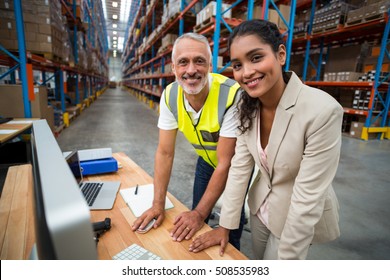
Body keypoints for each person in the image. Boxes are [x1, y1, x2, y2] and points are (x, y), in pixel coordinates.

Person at [189, 19, 342, 259]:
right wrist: (225, 226)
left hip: (295, 214)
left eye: (256, 57)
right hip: (260, 208)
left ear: (280, 55)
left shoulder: (322, 111)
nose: (246, 72)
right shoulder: (244, 103)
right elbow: (240, 167)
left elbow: (306, 200)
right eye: (238, 65)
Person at [131, 32, 246, 249]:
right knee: (196, 218)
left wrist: (199, 214)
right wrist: (158, 205)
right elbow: (165, 153)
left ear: (210, 66)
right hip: (206, 161)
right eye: (183, 62)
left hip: (237, 166)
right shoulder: (170, 96)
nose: (191, 70)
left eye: (199, 61)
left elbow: (225, 164)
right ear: (173, 68)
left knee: (229, 229)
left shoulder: (232, 95)